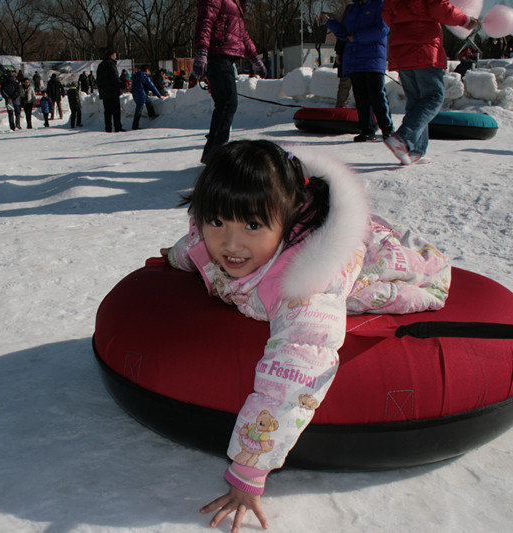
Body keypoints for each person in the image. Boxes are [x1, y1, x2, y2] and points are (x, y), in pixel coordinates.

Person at [160, 140, 450, 532]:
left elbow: (293, 377)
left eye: (252, 225)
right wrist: (174, 259)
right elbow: (194, 245)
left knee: (372, 287)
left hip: (377, 260)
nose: (230, 244)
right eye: (217, 222)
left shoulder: (305, 287)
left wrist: (248, 472)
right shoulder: (214, 237)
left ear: (287, 216)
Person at [382, 0, 478, 165]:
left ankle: (415, 151)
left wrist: (405, 26)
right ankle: (403, 137)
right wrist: (466, 21)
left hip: (402, 51)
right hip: (424, 49)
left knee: (416, 102)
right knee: (434, 97)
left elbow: (386, 15)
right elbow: (441, 8)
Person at [194, 0, 267, 163]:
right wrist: (202, 51)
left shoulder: (235, 3)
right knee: (227, 103)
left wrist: (255, 57)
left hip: (225, 56)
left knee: (225, 104)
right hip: (217, 54)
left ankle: (212, 154)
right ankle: (217, 156)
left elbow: (242, 34)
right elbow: (205, 21)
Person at [321, 1, 393, 143]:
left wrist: (356, 37)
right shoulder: (352, 9)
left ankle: (388, 130)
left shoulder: (380, 5)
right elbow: (344, 33)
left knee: (377, 95)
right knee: (360, 97)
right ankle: (367, 130)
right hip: (354, 60)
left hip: (372, 59)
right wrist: (330, 22)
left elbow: (382, 29)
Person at [96, 49, 125, 132]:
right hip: (113, 91)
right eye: (115, 55)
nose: (116, 56)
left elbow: (98, 79)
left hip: (104, 92)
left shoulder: (101, 65)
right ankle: (117, 127)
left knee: (107, 111)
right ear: (112, 55)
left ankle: (108, 128)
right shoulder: (111, 64)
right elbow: (115, 78)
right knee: (116, 111)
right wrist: (122, 85)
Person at [131, 64, 164, 130]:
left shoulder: (136, 75)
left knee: (148, 101)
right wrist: (159, 95)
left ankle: (151, 114)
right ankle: (135, 127)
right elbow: (151, 86)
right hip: (141, 94)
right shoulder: (145, 76)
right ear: (147, 70)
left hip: (136, 94)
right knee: (138, 111)